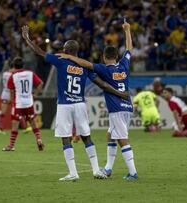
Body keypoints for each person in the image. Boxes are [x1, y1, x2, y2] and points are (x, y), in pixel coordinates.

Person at [22, 25, 130, 181]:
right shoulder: (84, 66)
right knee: (86, 137)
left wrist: (27, 38)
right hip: (80, 104)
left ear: (66, 50)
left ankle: (73, 173)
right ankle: (96, 170)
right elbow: (103, 84)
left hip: (65, 105)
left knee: (65, 138)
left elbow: (39, 52)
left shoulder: (60, 60)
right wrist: (120, 93)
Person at [57, 19, 138, 180]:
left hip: (117, 109)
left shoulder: (104, 69)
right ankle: (108, 168)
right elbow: (129, 48)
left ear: (103, 56)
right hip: (127, 107)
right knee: (110, 135)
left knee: (123, 139)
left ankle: (133, 172)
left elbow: (86, 64)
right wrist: (127, 30)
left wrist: (69, 57)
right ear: (117, 56)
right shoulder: (123, 65)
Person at [2, 57, 44, 151]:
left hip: (19, 103)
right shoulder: (30, 73)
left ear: (14, 66)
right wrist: (36, 94)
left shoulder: (13, 76)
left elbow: (12, 92)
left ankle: (11, 145)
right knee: (33, 122)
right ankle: (39, 140)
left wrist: (12, 102)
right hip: (29, 102)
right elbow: (41, 83)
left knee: (15, 125)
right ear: (23, 65)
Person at [0, 61, 32, 135]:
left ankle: (1, 129)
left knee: (15, 111)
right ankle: (25, 127)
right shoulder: (13, 75)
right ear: (13, 67)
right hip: (10, 93)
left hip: (6, 93)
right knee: (15, 111)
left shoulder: (5, 74)